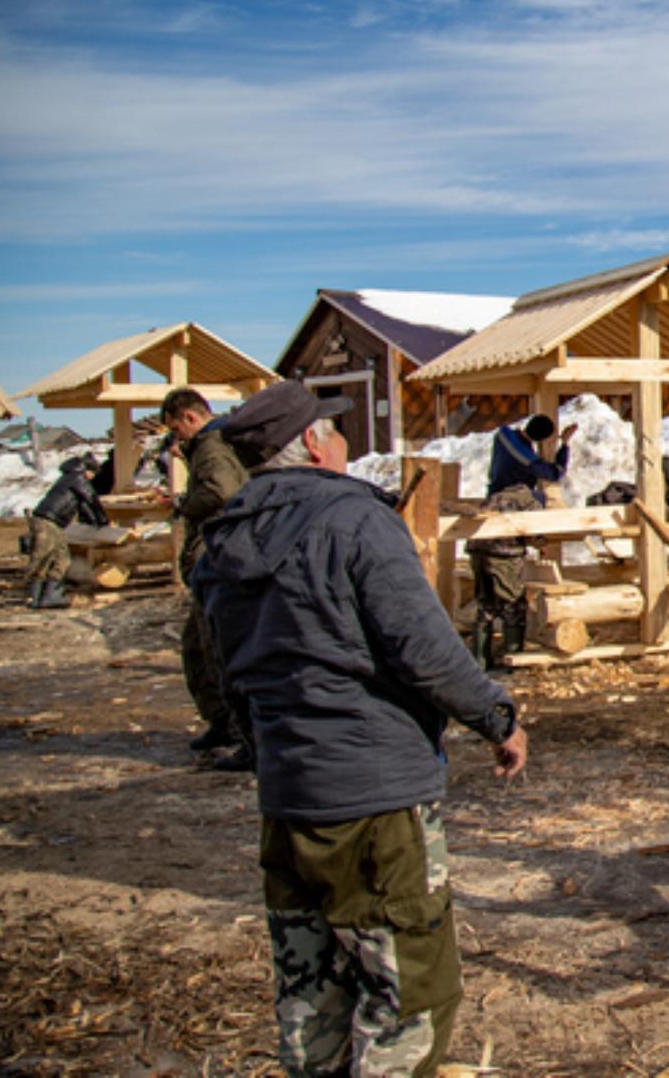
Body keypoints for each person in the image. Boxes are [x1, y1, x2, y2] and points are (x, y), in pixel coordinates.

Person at [193, 380, 528, 1077]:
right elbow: (425, 647)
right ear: (315, 443)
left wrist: (267, 753)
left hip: (287, 795)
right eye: (333, 428)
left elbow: (225, 670)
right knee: (409, 988)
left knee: (308, 983)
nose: (344, 439)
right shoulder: (353, 520)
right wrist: (495, 716)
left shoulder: (223, 538)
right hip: (374, 797)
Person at [160, 387, 251, 770]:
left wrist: (183, 505)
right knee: (197, 646)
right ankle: (223, 721)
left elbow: (222, 492)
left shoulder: (211, 449)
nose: (176, 438)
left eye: (176, 429)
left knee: (218, 648)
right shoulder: (210, 446)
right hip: (212, 558)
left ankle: (244, 732)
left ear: (190, 419)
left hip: (217, 557)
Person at [467, 483, 543, 669]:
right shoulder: (529, 503)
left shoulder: (495, 496)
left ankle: (480, 662)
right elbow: (536, 532)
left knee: (486, 605)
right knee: (513, 605)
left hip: (477, 552)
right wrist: (542, 543)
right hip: (503, 555)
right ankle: (513, 660)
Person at [24, 454, 107, 609]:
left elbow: (83, 505)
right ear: (87, 470)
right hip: (48, 521)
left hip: (53, 522)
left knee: (61, 558)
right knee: (43, 557)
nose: (92, 477)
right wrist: (102, 519)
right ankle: (34, 596)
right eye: (93, 473)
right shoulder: (77, 478)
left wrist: (94, 521)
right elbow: (91, 499)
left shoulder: (71, 479)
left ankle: (49, 596)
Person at [486, 413, 577, 503]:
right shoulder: (530, 461)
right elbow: (556, 473)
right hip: (507, 501)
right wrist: (564, 443)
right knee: (540, 498)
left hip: (492, 492)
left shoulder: (502, 434)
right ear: (541, 440)